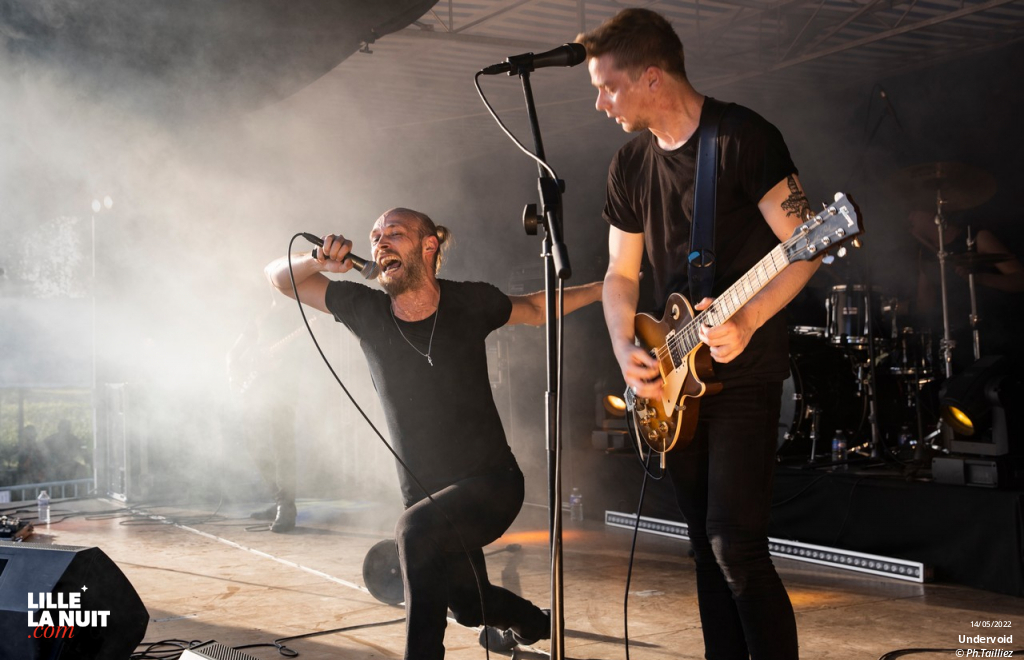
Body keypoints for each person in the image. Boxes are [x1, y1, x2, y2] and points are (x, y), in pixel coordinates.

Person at [578, 9, 821, 659]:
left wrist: (745, 318)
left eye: (608, 86)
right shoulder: (629, 165)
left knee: (734, 546)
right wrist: (626, 349)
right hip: (673, 375)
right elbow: (619, 276)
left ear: (652, 78)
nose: (599, 102)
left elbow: (808, 247)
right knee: (702, 554)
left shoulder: (743, 138)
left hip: (744, 368)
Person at [264, 207, 602, 659]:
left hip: (492, 484)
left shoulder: (470, 302)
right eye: (375, 236)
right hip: (428, 498)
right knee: (465, 605)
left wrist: (606, 288)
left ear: (429, 246)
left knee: (412, 530)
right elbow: (279, 279)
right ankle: (533, 623)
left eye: (395, 233)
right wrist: (315, 260)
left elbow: (537, 308)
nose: (381, 242)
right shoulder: (365, 310)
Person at [226, 294, 304, 533]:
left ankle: (286, 507)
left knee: (282, 446)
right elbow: (234, 352)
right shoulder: (261, 313)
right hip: (256, 389)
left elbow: (302, 352)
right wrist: (234, 371)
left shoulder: (297, 312)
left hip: (282, 389)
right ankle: (277, 499)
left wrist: (279, 364)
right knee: (254, 444)